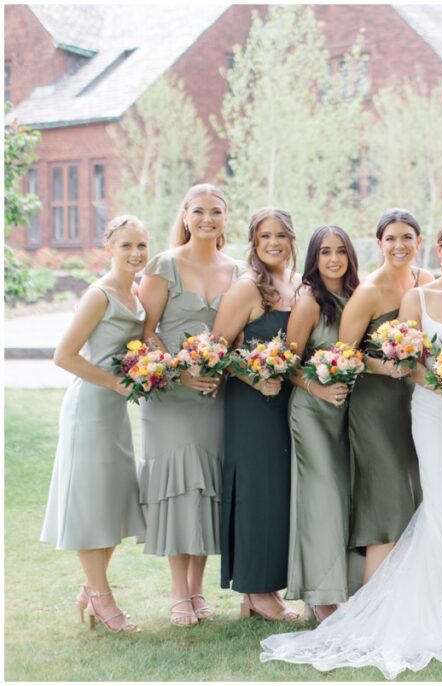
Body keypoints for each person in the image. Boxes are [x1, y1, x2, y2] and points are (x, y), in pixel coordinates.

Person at [260, 217, 442, 678]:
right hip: (428, 412)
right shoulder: (412, 296)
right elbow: (403, 361)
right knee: (438, 506)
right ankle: (404, 607)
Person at [138, 183, 240, 627]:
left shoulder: (237, 270)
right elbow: (145, 332)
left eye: (215, 211)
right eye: (198, 211)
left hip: (215, 395)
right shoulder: (163, 265)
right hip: (171, 398)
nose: (206, 219)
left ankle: (198, 591)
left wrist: (219, 367)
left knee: (206, 489)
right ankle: (178, 593)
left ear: (225, 218)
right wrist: (180, 371)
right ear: (183, 215)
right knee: (179, 488)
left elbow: (237, 333)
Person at [41, 215, 150, 632]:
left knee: (112, 501)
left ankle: (90, 590)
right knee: (92, 504)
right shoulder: (99, 295)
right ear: (109, 248)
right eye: (126, 245)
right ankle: (103, 600)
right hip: (90, 409)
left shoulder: (136, 292)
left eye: (141, 245)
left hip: (115, 413)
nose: (135, 253)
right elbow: (64, 355)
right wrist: (117, 385)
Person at [212, 207, 301, 622]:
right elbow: (217, 350)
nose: (273, 243)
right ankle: (254, 589)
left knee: (278, 493)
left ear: (292, 240)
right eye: (265, 236)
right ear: (253, 241)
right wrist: (254, 378)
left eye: (281, 235)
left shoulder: (296, 284)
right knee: (255, 491)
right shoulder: (247, 288)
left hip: (286, 404)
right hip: (251, 405)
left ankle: (269, 588)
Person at [338, 209, 434, 584]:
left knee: (415, 496)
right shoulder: (368, 292)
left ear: (419, 242)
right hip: (375, 407)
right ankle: (369, 602)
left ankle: (404, 598)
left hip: (419, 403)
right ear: (379, 243)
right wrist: (382, 366)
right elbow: (343, 354)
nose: (399, 245)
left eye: (406, 237)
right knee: (388, 497)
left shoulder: (426, 282)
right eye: (391, 238)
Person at [283, 225, 361, 622]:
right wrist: (319, 391)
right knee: (322, 497)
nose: (334, 259)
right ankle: (317, 594)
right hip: (312, 412)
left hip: (348, 413)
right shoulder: (310, 300)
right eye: (325, 252)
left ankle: (342, 587)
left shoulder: (355, 295)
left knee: (344, 497)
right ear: (314, 258)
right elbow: (288, 363)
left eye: (341, 251)